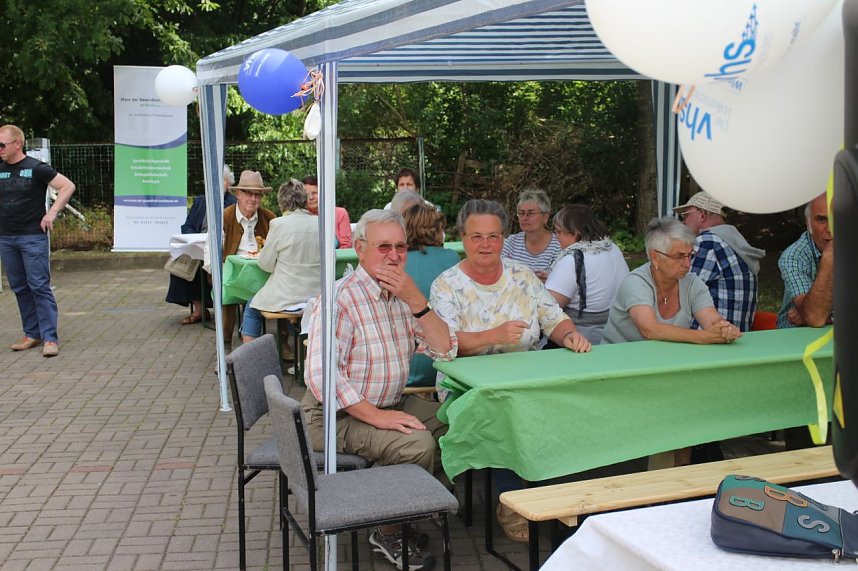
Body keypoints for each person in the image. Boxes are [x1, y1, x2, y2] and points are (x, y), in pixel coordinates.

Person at [302, 209, 457, 571]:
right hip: (331, 415)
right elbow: (323, 377)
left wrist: (418, 301)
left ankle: (409, 506)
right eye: (383, 246)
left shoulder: (402, 294)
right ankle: (387, 531)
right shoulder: (340, 299)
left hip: (388, 401)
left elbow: (445, 350)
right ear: (359, 249)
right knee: (415, 444)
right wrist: (379, 418)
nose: (394, 255)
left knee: (459, 421)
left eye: (400, 246)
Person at [430, 199, 590, 542]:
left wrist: (570, 335)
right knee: (503, 412)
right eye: (476, 237)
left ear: (504, 237)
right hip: (466, 384)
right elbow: (443, 342)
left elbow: (553, 317)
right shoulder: (447, 284)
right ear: (462, 237)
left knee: (564, 405)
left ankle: (552, 492)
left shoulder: (522, 275)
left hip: (525, 376)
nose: (485, 245)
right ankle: (510, 498)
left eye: (493, 236)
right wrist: (493, 336)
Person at [601, 217, 742, 346]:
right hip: (619, 361)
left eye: (690, 255)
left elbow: (712, 321)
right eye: (679, 256)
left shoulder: (692, 282)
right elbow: (650, 329)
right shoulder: (636, 282)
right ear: (655, 257)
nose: (687, 264)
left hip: (662, 361)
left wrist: (723, 329)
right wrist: (702, 337)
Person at [0, 124, 76, 357]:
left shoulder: (36, 168)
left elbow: (67, 186)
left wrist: (51, 212)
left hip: (32, 237)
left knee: (39, 286)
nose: (0, 149)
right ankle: (31, 334)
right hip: (6, 238)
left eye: (2, 144)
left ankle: (50, 338)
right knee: (20, 287)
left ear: (17, 144)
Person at [240, 179, 320, 343]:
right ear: (304, 200)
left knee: (251, 307)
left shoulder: (278, 224)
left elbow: (266, 264)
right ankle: (297, 353)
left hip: (288, 297)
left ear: (282, 202)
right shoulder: (321, 223)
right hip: (316, 296)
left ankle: (249, 357)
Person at [674, 191, 765, 332]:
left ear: (702, 214)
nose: (683, 221)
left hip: (709, 338)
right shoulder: (734, 242)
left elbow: (681, 292)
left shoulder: (708, 242)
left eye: (686, 215)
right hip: (736, 335)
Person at [203, 170, 277, 345]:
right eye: (248, 193)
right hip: (232, 275)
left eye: (257, 195)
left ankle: (284, 342)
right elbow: (209, 251)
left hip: (262, 273)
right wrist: (216, 274)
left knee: (283, 288)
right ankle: (224, 344)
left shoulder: (269, 218)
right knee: (225, 292)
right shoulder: (224, 217)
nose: (253, 199)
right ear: (238, 194)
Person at [545, 205, 629, 345]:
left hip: (581, 338)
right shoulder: (612, 248)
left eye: (559, 232)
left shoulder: (573, 259)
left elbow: (548, 305)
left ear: (576, 233)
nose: (556, 237)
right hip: (616, 332)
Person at [165, 165, 237, 324]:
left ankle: (222, 308)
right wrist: (194, 236)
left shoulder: (233, 203)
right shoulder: (200, 201)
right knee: (182, 265)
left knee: (211, 267)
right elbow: (187, 226)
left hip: (222, 248)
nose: (219, 184)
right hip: (198, 246)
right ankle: (199, 309)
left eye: (223, 180)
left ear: (229, 183)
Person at [402, 203, 460, 386]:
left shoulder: (396, 263)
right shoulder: (452, 258)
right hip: (448, 363)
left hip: (405, 365)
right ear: (438, 230)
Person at [777, 193, 833, 329]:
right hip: (796, 342)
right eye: (821, 220)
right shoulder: (794, 256)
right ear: (808, 223)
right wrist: (829, 259)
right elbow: (815, 318)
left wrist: (829, 318)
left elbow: (812, 317)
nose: (830, 229)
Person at [501, 189, 560, 280]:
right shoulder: (511, 243)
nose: (524, 218)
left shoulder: (558, 246)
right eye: (521, 213)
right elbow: (496, 270)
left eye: (530, 213)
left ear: (545, 217)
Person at [302, 175, 352, 248]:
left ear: (323, 193)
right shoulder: (300, 216)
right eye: (306, 195)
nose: (311, 197)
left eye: (314, 193)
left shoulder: (340, 213)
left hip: (336, 258)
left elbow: (346, 245)